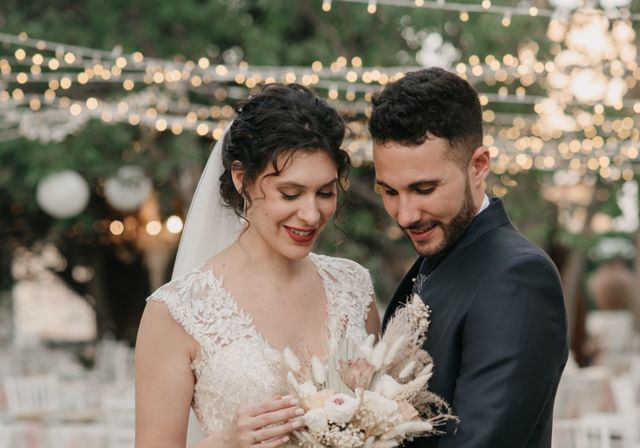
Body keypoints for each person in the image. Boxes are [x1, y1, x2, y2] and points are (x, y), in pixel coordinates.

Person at [135, 84, 381, 448]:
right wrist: (228, 442)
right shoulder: (175, 312)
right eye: (290, 194)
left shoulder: (354, 286)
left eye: (325, 193)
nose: (311, 214)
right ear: (241, 178)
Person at [369, 68, 568, 447]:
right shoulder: (438, 255)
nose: (405, 214)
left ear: (478, 166)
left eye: (424, 188)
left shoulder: (518, 276)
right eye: (389, 191)